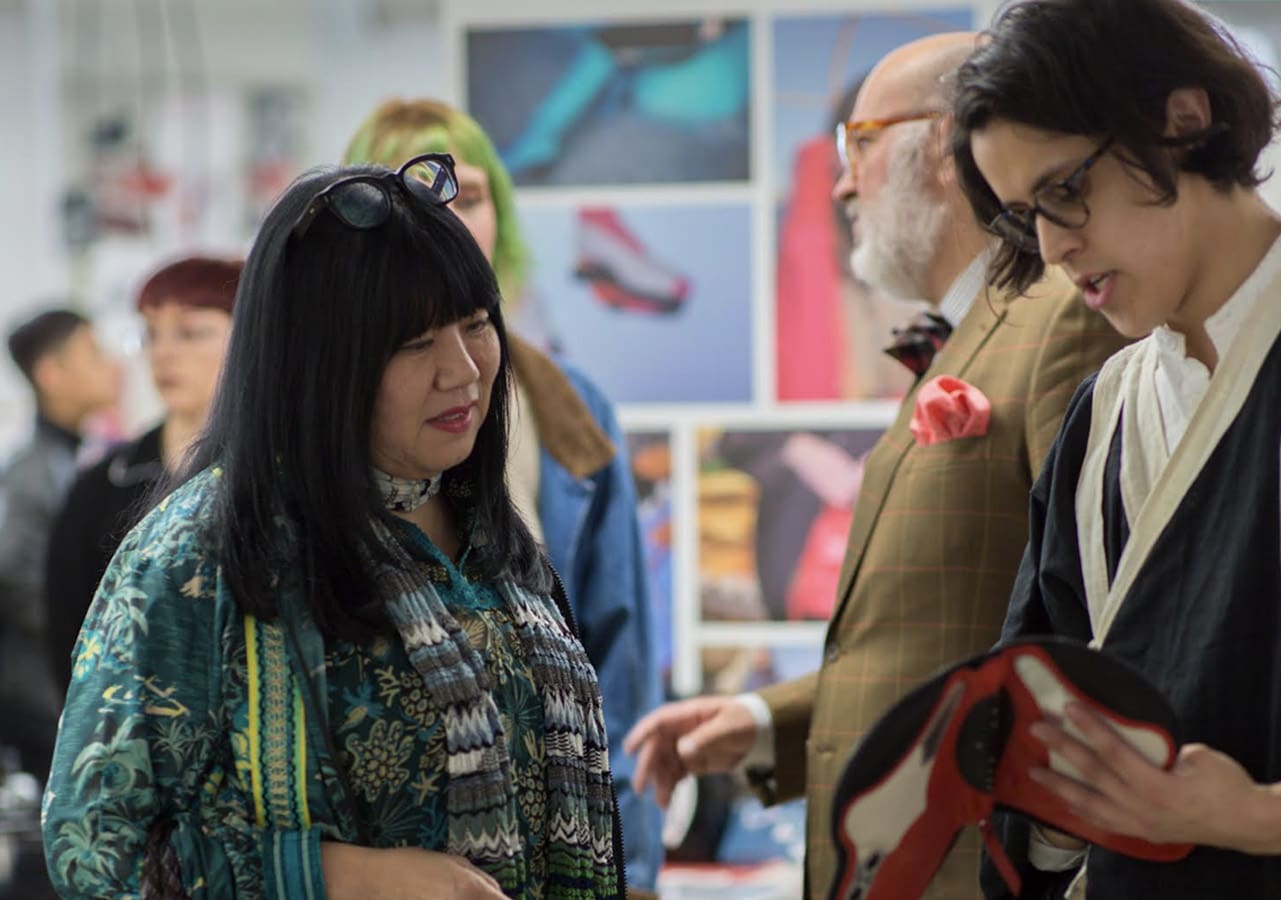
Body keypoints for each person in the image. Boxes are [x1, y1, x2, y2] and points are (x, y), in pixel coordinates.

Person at [624, 31, 1128, 899]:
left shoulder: (1059, 323)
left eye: (857, 146)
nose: (842, 182)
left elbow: (1089, 639)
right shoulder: (963, 339)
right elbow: (932, 655)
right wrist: (757, 720)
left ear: (940, 142)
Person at [42, 159, 624, 899]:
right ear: (318, 363)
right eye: (413, 344)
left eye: (476, 325)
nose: (463, 371)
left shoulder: (488, 532)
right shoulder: (201, 553)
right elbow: (95, 847)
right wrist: (341, 877)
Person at [950, 1, 1281, 898]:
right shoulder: (1107, 414)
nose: (1055, 245)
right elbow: (1037, 705)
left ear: (1181, 120)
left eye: (1065, 190)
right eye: (1024, 217)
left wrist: (1265, 814)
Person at [343, 98, 663, 891]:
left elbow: (617, 664)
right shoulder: (316, 422)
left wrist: (637, 864)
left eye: (471, 196)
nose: (446, 218)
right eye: (409, 195)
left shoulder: (571, 411)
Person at [45, 255, 241, 696]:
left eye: (190, 333)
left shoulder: (278, 479)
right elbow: (68, 636)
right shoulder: (101, 486)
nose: (164, 352)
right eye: (151, 334)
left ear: (250, 336)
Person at [0, 308, 118, 782]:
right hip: (43, 692)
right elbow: (16, 579)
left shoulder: (82, 460)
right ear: (51, 375)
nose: (111, 363)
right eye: (92, 351)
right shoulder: (33, 475)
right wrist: (93, 642)